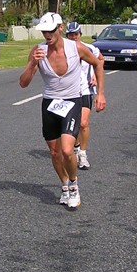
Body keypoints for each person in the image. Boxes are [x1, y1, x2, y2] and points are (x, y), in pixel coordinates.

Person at [19, 12, 106, 208]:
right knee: (54, 153)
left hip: (72, 100)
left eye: (50, 31)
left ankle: (74, 185)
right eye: (44, 32)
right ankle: (65, 185)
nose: (47, 36)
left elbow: (98, 64)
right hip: (50, 103)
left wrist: (100, 94)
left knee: (67, 150)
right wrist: (33, 62)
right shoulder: (38, 51)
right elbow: (23, 84)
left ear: (60, 28)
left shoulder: (76, 48)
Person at [65, 21, 104, 170]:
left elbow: (100, 59)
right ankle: (75, 147)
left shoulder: (90, 48)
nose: (74, 37)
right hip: (68, 91)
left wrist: (94, 74)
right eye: (70, 35)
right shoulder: (63, 49)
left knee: (83, 123)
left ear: (80, 34)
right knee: (72, 124)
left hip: (86, 89)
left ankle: (82, 153)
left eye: (76, 34)